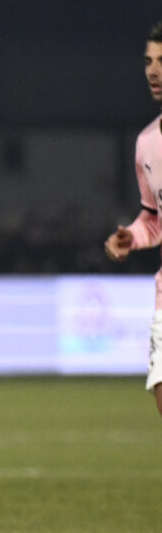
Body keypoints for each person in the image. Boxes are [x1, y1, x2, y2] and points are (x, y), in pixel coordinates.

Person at [106, 22, 162, 417]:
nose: (153, 71)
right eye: (148, 61)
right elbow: (153, 218)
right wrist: (133, 236)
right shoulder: (147, 142)